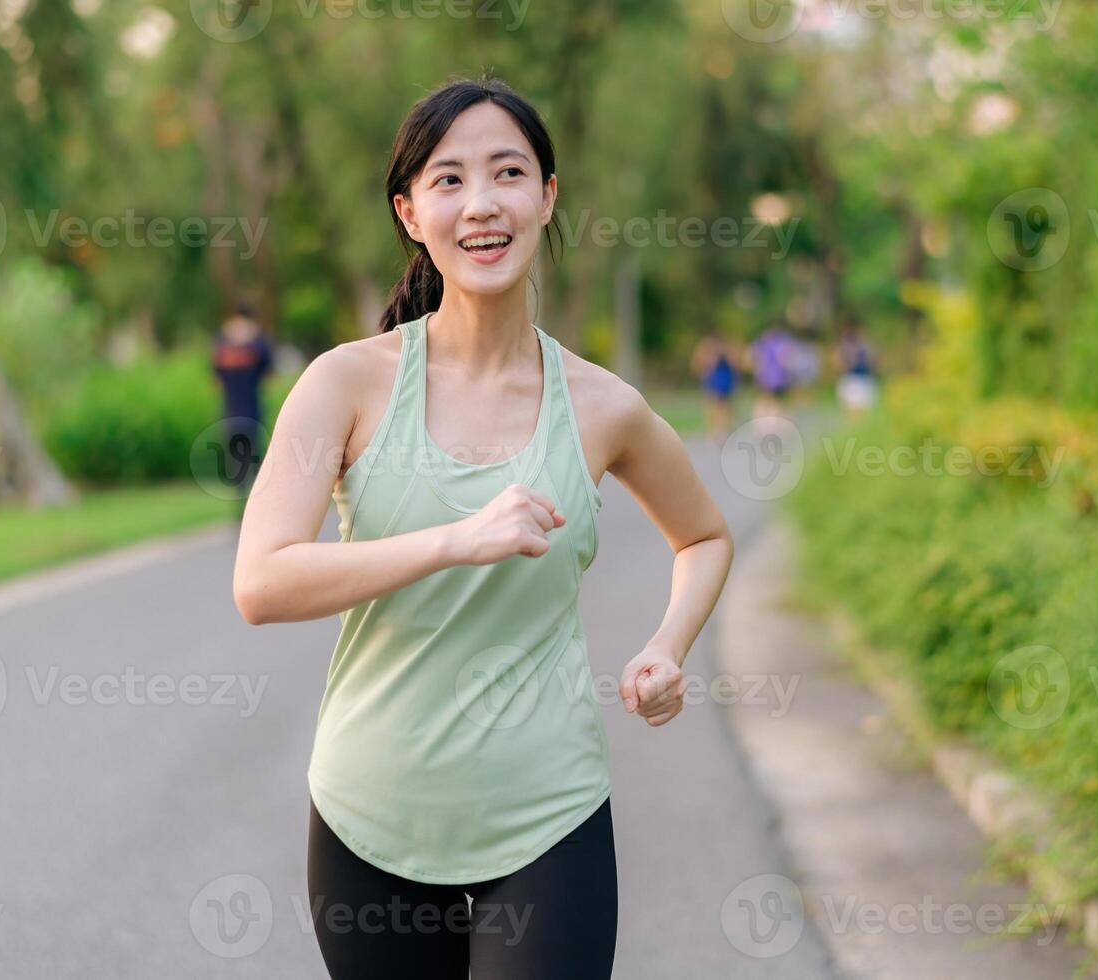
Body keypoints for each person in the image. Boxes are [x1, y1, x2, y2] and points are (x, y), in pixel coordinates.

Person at [229, 77, 735, 979]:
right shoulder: (345, 384)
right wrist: (454, 539)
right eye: (448, 180)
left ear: (546, 195)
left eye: (507, 173)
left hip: (547, 814)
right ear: (409, 211)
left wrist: (668, 644)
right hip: (370, 818)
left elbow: (703, 537)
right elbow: (261, 583)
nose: (481, 204)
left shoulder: (603, 406)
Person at [211, 302, 273, 515]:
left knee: (235, 461)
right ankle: (255, 507)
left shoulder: (221, 342)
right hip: (253, 411)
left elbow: (215, 379)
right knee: (255, 459)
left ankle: (241, 508)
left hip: (229, 412)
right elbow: (269, 374)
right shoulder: (259, 343)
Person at [691, 331, 739, 444]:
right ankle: (713, 432)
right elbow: (697, 365)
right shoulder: (704, 349)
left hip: (724, 382)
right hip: (711, 382)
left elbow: (735, 365)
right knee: (711, 406)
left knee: (724, 407)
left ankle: (723, 431)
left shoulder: (726, 350)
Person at [835, 325, 878, 417]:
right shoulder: (850, 348)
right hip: (853, 379)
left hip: (861, 379)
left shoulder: (862, 347)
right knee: (854, 407)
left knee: (859, 407)